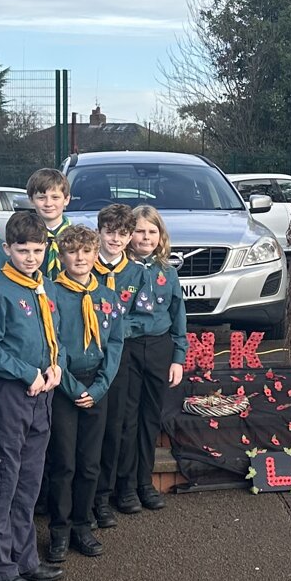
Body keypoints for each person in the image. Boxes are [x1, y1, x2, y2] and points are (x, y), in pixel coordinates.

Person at [0, 210, 65, 581]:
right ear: (8, 248)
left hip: (42, 394)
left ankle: (25, 558)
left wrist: (55, 368)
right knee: (2, 480)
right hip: (10, 396)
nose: (31, 257)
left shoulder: (41, 285)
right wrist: (26, 372)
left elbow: (50, 336)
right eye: (23, 250)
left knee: (29, 481)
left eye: (37, 250)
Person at [44, 223, 125, 559]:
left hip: (97, 384)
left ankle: (82, 525)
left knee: (90, 463)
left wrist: (101, 385)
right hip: (66, 385)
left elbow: (116, 342)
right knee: (64, 462)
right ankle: (59, 531)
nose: (80, 257)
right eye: (72, 251)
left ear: (95, 255)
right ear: (62, 256)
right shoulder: (51, 293)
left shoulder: (107, 296)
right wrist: (74, 388)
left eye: (86, 251)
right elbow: (55, 344)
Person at [110, 204, 186, 513]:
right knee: (127, 419)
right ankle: (124, 486)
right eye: (139, 231)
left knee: (150, 418)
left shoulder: (167, 271)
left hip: (158, 348)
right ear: (128, 235)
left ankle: (145, 482)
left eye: (152, 231)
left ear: (161, 235)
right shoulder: (119, 271)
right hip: (127, 348)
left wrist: (178, 356)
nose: (145, 237)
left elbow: (177, 314)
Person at [93, 202, 145, 530]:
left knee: (117, 425)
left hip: (121, 355)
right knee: (90, 428)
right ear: (99, 232)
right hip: (87, 354)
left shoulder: (137, 273)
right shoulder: (82, 267)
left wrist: (118, 329)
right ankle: (88, 495)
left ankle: (107, 494)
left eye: (123, 233)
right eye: (109, 232)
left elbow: (145, 316)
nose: (115, 239)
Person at [24, 168, 73, 278]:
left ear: (66, 199)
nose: (48, 203)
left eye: (55, 197)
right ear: (31, 200)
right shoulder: (23, 236)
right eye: (41, 198)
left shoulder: (78, 237)